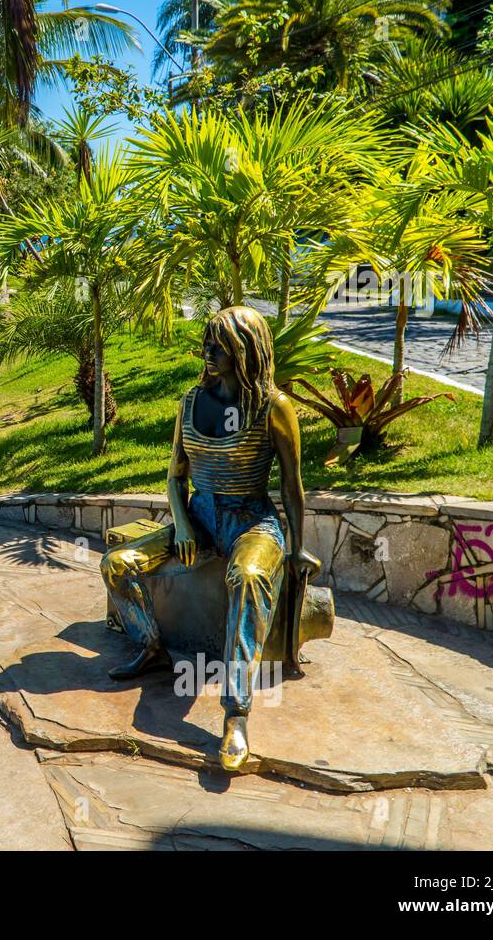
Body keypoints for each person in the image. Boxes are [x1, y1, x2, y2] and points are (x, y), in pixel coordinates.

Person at [100, 305, 320, 772]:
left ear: (246, 350)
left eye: (219, 345)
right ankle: (151, 646)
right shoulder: (189, 402)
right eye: (208, 341)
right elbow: (175, 477)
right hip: (198, 518)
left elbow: (291, 486)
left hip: (251, 521)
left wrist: (297, 545)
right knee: (117, 565)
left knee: (248, 576)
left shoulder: (274, 407)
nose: (208, 351)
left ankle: (236, 714)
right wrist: (181, 524)